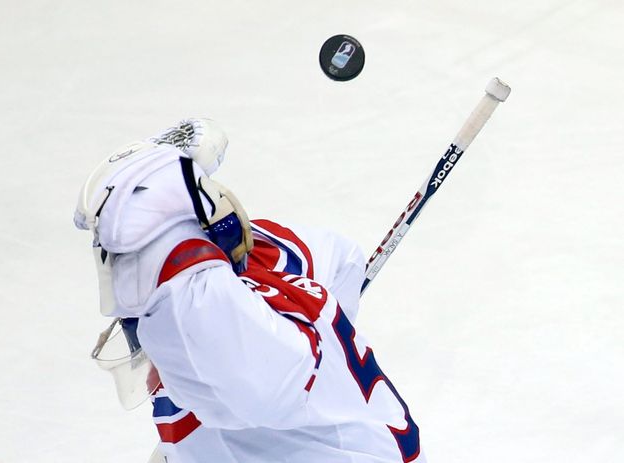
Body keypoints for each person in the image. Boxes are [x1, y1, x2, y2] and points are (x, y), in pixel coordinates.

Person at [75, 119, 423, 463]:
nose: (152, 378)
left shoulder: (254, 360)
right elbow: (344, 262)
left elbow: (191, 303)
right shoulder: (264, 263)